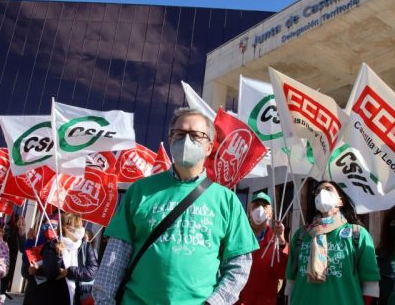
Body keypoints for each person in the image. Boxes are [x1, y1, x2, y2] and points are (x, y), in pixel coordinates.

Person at [93, 107, 259, 305]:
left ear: (209, 147)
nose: (186, 141)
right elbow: (115, 256)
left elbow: (239, 266)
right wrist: (104, 301)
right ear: (171, 140)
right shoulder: (140, 191)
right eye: (179, 134)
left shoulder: (227, 200)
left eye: (196, 135)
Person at [285, 180, 380, 305]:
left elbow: (370, 285)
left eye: (328, 189)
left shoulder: (357, 234)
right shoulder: (301, 235)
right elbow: (291, 282)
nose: (321, 194)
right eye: (317, 191)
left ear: (341, 201)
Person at [26, 212, 98, 305]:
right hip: (54, 298)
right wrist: (58, 255)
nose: (81, 229)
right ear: (66, 228)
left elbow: (92, 271)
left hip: (77, 298)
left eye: (81, 225)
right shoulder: (51, 245)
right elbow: (50, 273)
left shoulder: (85, 246)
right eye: (77, 226)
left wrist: (69, 271)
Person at [237, 192, 288, 305]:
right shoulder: (237, 236)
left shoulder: (276, 241)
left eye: (264, 207)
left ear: (270, 214)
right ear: (249, 211)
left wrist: (281, 240)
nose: (259, 210)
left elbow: (283, 273)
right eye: (255, 206)